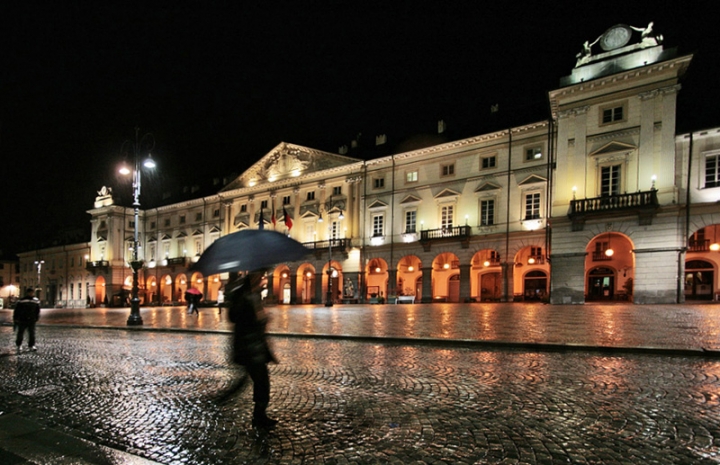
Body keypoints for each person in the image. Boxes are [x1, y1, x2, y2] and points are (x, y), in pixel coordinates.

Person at [224, 270, 278, 429]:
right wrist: (259, 319)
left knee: (257, 381)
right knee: (261, 382)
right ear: (252, 279)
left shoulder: (251, 295)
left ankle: (259, 415)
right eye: (260, 277)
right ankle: (258, 417)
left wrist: (262, 319)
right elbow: (237, 318)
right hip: (250, 347)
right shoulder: (245, 297)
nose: (262, 280)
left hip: (254, 346)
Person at [14, 287, 40, 353]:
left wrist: (36, 317)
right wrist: (16, 318)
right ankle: (19, 345)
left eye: (32, 292)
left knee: (32, 333)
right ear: (28, 293)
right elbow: (17, 310)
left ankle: (31, 345)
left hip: (31, 319)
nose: (31, 293)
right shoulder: (22, 300)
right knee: (21, 333)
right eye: (30, 292)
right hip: (23, 319)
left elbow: (37, 310)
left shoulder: (36, 300)